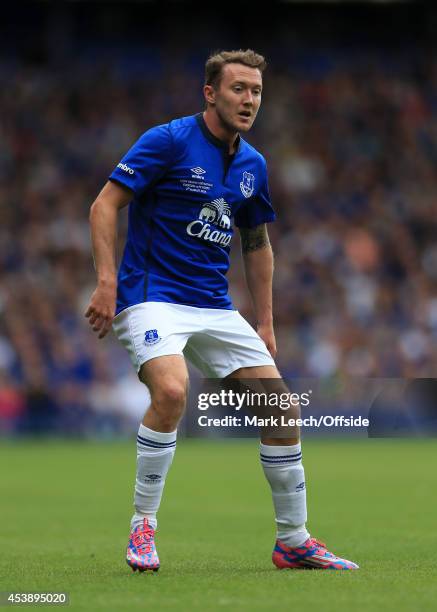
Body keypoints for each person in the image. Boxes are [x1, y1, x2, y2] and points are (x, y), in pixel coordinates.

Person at [85, 49, 358, 571]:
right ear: (210, 93)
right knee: (170, 391)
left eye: (256, 91)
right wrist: (106, 281)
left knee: (282, 410)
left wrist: (266, 321)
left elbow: (256, 243)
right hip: (151, 294)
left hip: (212, 305)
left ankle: (293, 541)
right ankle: (143, 529)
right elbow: (104, 204)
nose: (249, 100)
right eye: (238, 89)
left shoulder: (253, 164)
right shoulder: (167, 141)